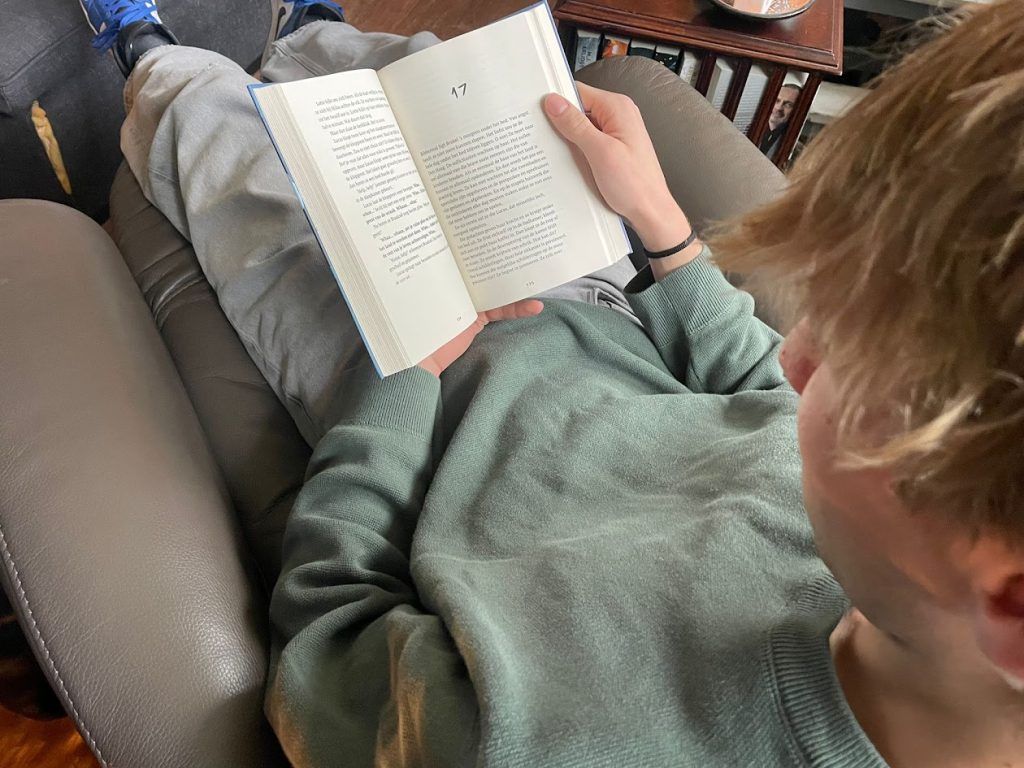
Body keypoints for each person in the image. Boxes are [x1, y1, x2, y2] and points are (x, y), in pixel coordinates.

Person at [79, 0, 1024, 766]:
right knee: (438, 79)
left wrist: (399, 385)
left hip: (411, 380)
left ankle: (144, 45)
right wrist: (662, 227)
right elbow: (765, 396)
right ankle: (310, 32)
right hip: (599, 298)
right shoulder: (890, 545)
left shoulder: (531, 742)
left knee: (209, 125)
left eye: (859, 359)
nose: (798, 354)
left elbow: (332, 641)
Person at [758, 83, 801, 161]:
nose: (778, 108)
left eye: (788, 105)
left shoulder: (797, 152)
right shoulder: (748, 130)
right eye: (777, 101)